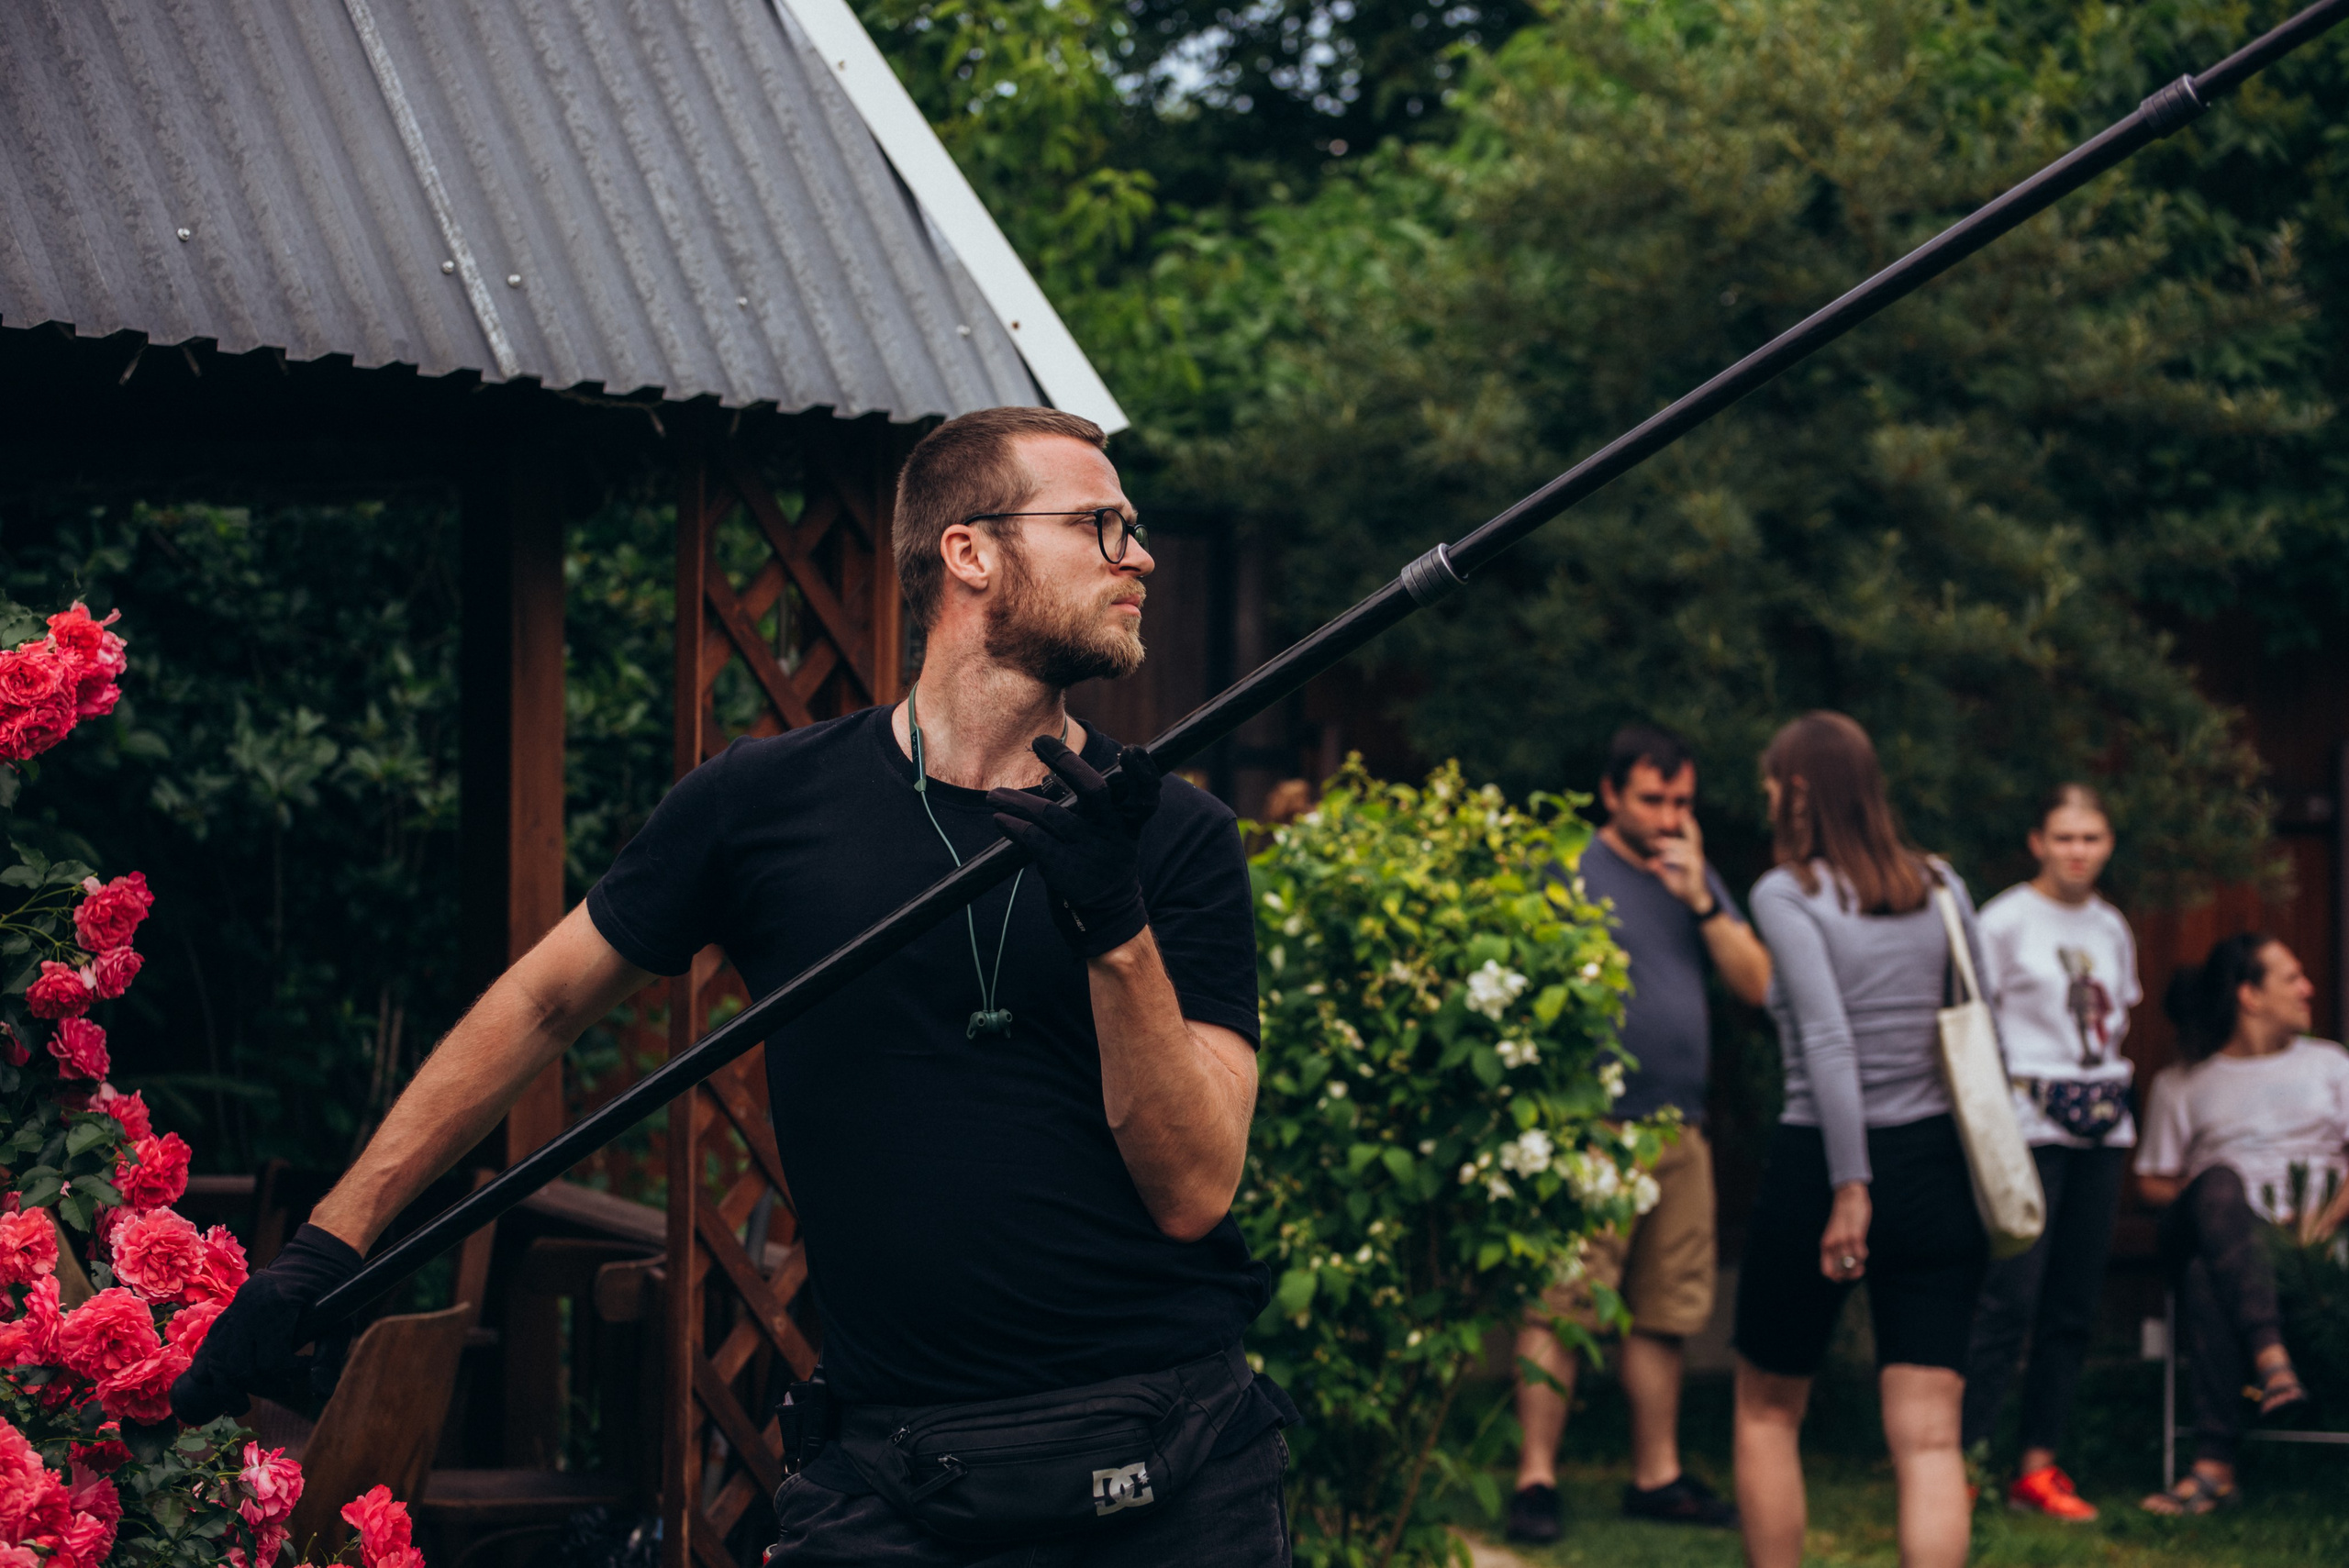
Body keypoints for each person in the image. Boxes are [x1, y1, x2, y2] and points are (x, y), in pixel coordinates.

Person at [173, 406, 1297, 1565]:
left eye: (1136, 527)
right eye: (1100, 524)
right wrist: (329, 1246)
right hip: (894, 1478)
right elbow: (543, 1004)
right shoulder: (761, 805)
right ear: (970, 550)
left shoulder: (1173, 835)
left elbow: (1195, 1189)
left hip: (1169, 1474)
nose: (1140, 555)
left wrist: (1115, 929)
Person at [1732, 712, 1989, 1568]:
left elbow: (1830, 1040)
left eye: (1772, 783)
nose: (1766, 797)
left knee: (1769, 1409)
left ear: (1799, 791)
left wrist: (1850, 1186)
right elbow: (1980, 1021)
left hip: (1825, 1167)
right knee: (1928, 1439)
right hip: (1937, 1164)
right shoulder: (1944, 885)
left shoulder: (1787, 893)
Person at [1507, 724, 1770, 1542]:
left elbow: (1758, 985)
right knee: (1564, 1305)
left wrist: (1698, 895)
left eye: (1682, 800)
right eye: (1652, 798)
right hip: (1591, 1125)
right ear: (1611, 793)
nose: (1668, 815)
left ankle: (1654, 1475)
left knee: (1664, 1310)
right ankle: (1536, 1478)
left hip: (1678, 1130)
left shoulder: (1693, 872)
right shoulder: (1567, 866)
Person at [1960, 784, 2141, 1520]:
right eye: (2065, 837)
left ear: (2108, 843)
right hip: (2028, 1124)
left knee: (2072, 1301)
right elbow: (1974, 1019)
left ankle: (2039, 1465)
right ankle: (1961, 1460)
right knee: (2009, 1296)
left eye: (2092, 837)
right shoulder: (2002, 919)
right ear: (2037, 840)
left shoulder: (2112, 925)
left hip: (2102, 1123)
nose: (2078, 852)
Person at [2134, 934, 2349, 1516]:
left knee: (2208, 1275)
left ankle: (2214, 1470)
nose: (2308, 989)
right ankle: (2272, 1359)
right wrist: (2222, 1212)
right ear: (2250, 995)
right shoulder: (2184, 1083)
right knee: (2220, 1182)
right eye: (2292, 978)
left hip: (2313, 1248)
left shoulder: (2331, 1064)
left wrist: (2318, 1225)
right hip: (2222, 1222)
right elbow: (2153, 1181)